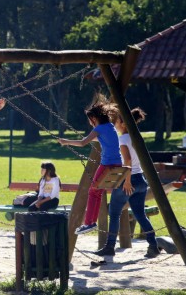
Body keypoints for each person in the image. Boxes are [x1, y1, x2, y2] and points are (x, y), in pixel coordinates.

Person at [94, 108, 160, 258]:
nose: (114, 124)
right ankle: (153, 245)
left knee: (114, 213)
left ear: (123, 123)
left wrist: (127, 181)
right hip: (141, 180)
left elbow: (128, 161)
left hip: (128, 180)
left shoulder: (123, 139)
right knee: (140, 215)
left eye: (116, 121)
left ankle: (110, 247)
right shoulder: (135, 137)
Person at [57, 98, 122, 235]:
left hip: (107, 164)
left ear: (93, 118)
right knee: (97, 192)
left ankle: (89, 223)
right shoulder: (110, 126)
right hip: (118, 163)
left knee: (93, 191)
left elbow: (82, 143)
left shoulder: (98, 128)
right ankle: (90, 222)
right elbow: (101, 139)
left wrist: (65, 141)